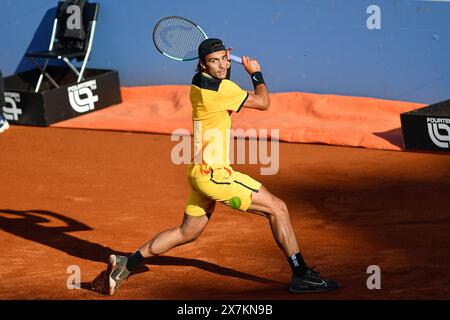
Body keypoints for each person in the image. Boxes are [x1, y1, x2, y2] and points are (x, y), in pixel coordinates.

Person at [104, 38, 341, 295]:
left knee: (187, 231)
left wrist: (222, 63)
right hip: (217, 176)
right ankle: (301, 274)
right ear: (202, 65)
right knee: (278, 209)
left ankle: (128, 262)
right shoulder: (223, 90)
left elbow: (221, 80)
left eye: (223, 60)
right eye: (213, 61)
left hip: (197, 174)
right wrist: (256, 73)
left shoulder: (197, 84)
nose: (221, 65)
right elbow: (263, 102)